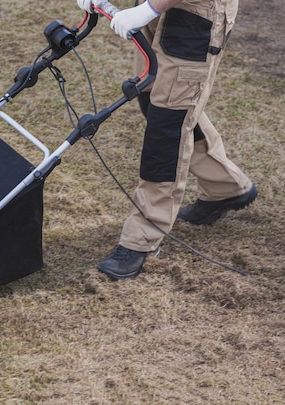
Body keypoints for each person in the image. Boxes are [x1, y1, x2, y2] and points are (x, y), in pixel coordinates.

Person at [76, 0, 257, 279]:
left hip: (195, 12)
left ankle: (142, 239)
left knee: (168, 125)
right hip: (158, 6)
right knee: (153, 99)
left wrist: (149, 10)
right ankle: (226, 185)